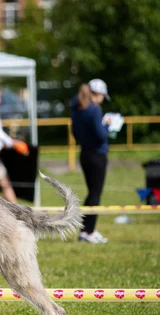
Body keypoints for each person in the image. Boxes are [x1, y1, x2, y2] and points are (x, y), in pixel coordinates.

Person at [70, 79, 112, 244]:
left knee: (91, 193)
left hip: (84, 154)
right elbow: (101, 135)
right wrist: (108, 126)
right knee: (95, 194)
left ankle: (85, 230)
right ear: (99, 94)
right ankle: (89, 231)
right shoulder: (93, 110)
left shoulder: (77, 108)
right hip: (97, 155)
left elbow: (75, 133)